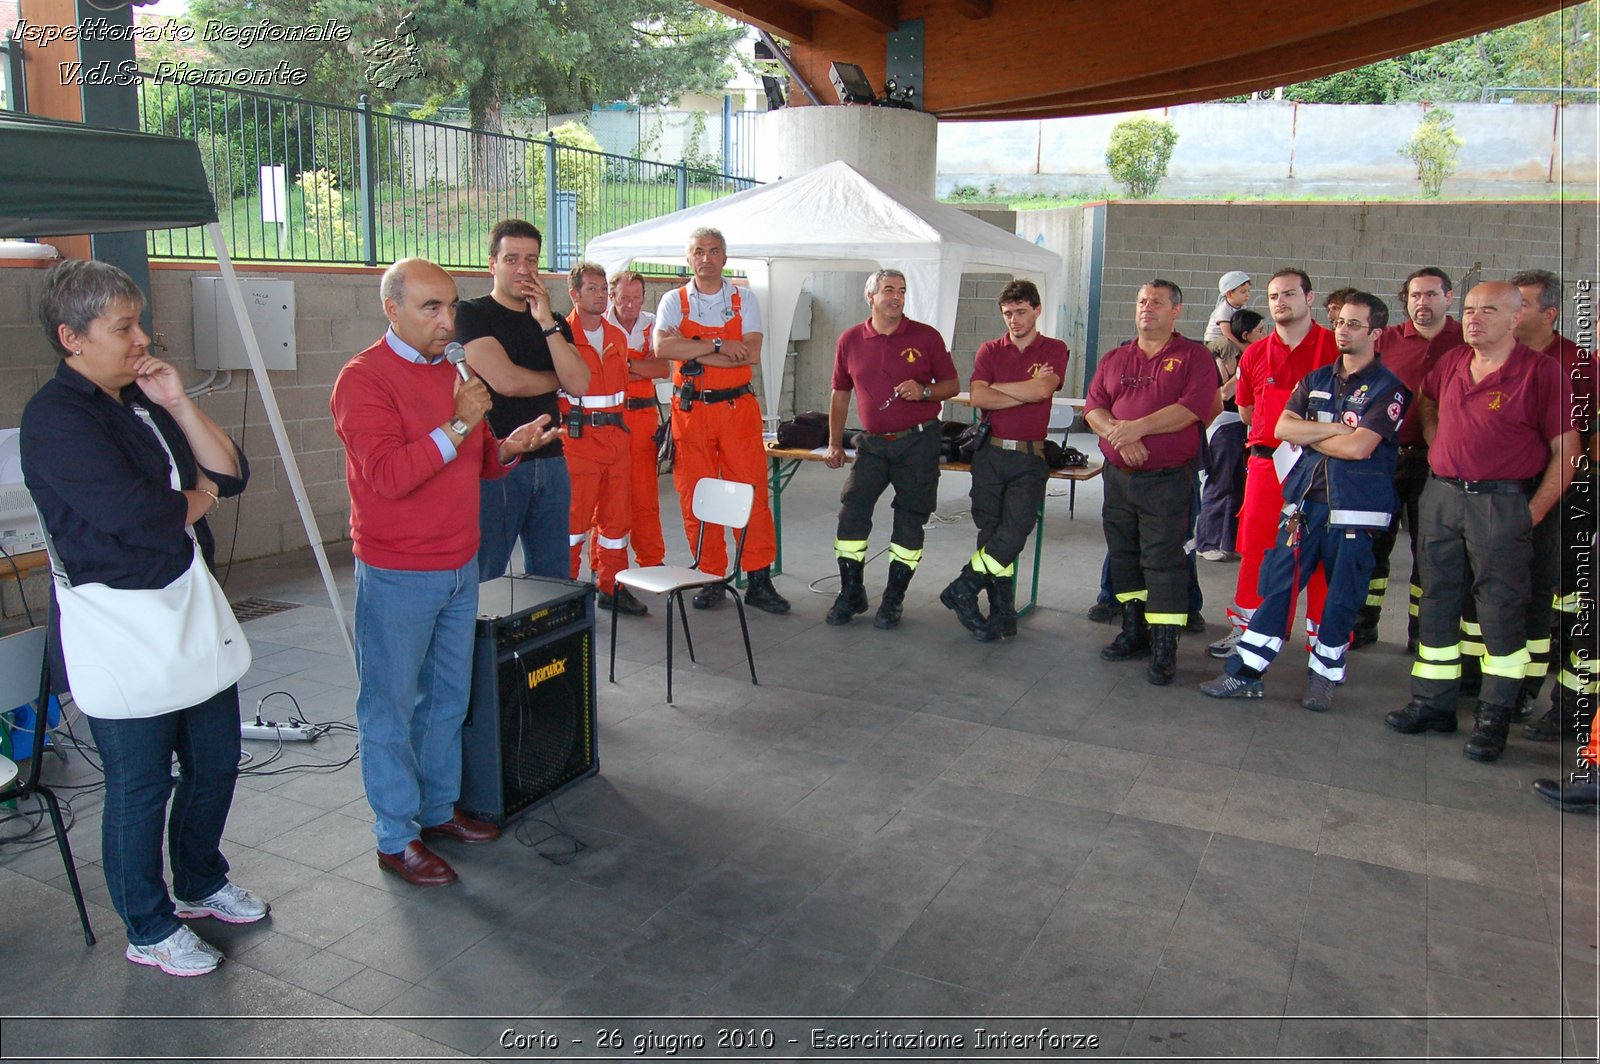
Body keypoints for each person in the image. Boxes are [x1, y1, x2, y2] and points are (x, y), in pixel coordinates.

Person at [20, 259, 262, 976]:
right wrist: (198, 502)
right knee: (140, 785)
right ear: (72, 337)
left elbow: (231, 471)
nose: (141, 338)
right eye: (123, 327)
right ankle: (147, 925)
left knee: (215, 762)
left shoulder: (143, 399)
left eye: (139, 323)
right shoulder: (56, 418)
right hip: (122, 621)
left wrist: (180, 403)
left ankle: (199, 882)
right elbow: (140, 516)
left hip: (185, 606)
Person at [332, 258, 558, 887]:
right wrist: (459, 420)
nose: (446, 320)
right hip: (400, 570)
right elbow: (390, 476)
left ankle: (436, 810)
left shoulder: (455, 372)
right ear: (392, 310)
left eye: (451, 306)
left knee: (448, 699)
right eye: (430, 307)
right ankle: (395, 836)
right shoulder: (363, 380)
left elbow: (475, 462)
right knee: (390, 706)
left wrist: (510, 447)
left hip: (461, 564)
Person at [1385, 282, 1579, 763]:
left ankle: (1495, 715)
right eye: (1469, 309)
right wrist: (1436, 439)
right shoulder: (1451, 361)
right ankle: (1433, 702)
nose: (1474, 318)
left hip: (1502, 503)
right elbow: (1426, 400)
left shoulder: (1541, 372)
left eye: (1488, 311)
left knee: (1500, 611)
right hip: (1443, 497)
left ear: (1515, 319)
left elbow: (1567, 453)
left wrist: (1531, 512)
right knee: (1437, 600)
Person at [1201, 292, 1410, 711]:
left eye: (1354, 324)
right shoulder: (1316, 380)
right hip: (1303, 506)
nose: (1343, 330)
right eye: (1340, 323)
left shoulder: (1390, 389)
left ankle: (1323, 677)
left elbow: (1360, 448)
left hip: (1353, 509)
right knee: (1276, 587)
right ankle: (1246, 674)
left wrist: (1316, 430)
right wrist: (1336, 433)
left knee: (1339, 596)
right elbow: (1283, 427)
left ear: (1375, 333)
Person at [1085, 279, 1219, 685]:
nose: (1147, 308)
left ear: (1176, 310)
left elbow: (1192, 409)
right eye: (1142, 301)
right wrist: (1117, 437)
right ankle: (1133, 631)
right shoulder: (1115, 356)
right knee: (1124, 556)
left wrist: (1134, 429)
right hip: (1119, 478)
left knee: (1163, 561)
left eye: (1157, 303)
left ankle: (1164, 647)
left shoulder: (1194, 356)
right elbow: (1094, 407)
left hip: (1166, 482)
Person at [653, 227, 789, 613]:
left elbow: (751, 354)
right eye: (699, 251)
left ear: (725, 258)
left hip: (736, 412)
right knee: (696, 495)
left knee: (751, 493)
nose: (706, 258)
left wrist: (691, 350)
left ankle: (758, 577)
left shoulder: (743, 299)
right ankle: (710, 575)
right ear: (689, 258)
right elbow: (663, 348)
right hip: (691, 412)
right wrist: (717, 346)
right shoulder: (673, 301)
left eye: (714, 251)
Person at [1210, 269, 1338, 660]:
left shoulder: (1334, 349)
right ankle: (1250, 631)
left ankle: (1322, 644)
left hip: (1322, 467)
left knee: (1319, 556)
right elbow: (1246, 412)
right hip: (1267, 464)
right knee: (1257, 549)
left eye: (1289, 294)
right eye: (1273, 296)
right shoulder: (1255, 353)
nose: (1280, 302)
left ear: (1309, 298)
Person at [824, 269, 961, 629]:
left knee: (910, 520)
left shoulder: (926, 336)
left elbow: (952, 384)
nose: (896, 297)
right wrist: (834, 443)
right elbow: (840, 392)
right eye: (888, 290)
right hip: (872, 444)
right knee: (851, 510)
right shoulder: (851, 339)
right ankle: (851, 592)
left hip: (919, 442)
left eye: (901, 290)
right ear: (870, 297)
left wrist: (925, 391)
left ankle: (893, 599)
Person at [456, 219, 589, 581]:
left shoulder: (555, 321)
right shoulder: (471, 314)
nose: (523, 269)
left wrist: (545, 320)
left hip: (551, 462)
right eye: (512, 259)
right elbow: (506, 382)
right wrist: (555, 379)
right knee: (487, 574)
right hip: (497, 463)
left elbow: (578, 384)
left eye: (531, 260)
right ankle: (480, 640)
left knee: (554, 576)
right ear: (492, 264)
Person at [938, 279, 1068, 641]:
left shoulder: (1054, 349)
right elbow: (978, 398)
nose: (1014, 320)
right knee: (991, 534)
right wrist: (1019, 392)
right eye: (1008, 314)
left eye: (1021, 312)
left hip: (1029, 457)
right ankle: (1001, 613)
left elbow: (1044, 389)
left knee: (1013, 534)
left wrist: (1000, 389)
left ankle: (963, 587)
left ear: (1037, 310)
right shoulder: (989, 350)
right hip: (991, 454)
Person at [1351, 267, 1463, 649]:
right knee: (1372, 546)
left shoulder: (1465, 340)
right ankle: (1363, 625)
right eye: (1415, 295)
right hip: (1381, 458)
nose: (1422, 302)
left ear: (1449, 298)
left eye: (1431, 294)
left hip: (1436, 463)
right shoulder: (1389, 340)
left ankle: (1421, 633)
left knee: (1428, 552)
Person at [1512, 268, 1596, 743]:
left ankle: (1555, 702)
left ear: (1550, 313)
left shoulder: (1578, 365)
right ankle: (1515, 683)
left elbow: (1583, 445)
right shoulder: (1502, 358)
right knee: (1517, 594)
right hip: (1508, 493)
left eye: (1520, 304)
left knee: (1554, 597)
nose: (1511, 312)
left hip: (1564, 498)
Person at [562, 263, 645, 615]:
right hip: (578, 442)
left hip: (616, 439)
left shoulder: (617, 337)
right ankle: (563, 594)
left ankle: (611, 586)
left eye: (601, 289)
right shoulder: (560, 337)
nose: (599, 295)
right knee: (572, 525)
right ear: (574, 294)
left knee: (615, 522)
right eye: (591, 289)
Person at [606, 269, 671, 571]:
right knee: (608, 498)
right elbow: (600, 372)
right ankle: (606, 567)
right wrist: (641, 365)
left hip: (643, 419)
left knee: (645, 496)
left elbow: (662, 369)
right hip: (607, 420)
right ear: (612, 296)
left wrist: (626, 364)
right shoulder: (598, 324)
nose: (630, 304)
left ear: (644, 297)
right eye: (624, 297)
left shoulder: (652, 325)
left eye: (636, 297)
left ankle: (651, 562)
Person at [1196, 308, 1268, 561]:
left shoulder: (1253, 356)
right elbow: (1225, 394)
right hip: (1226, 427)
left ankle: (1229, 541)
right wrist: (1242, 379)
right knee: (1219, 484)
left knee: (1238, 486)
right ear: (1246, 335)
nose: (1265, 334)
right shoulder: (1232, 356)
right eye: (1260, 330)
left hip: (1242, 428)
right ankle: (1207, 542)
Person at [1204, 270, 1251, 350]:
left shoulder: (1243, 308)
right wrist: (1241, 346)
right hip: (1213, 342)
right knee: (1228, 344)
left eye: (1248, 291)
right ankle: (1225, 363)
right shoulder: (1223, 310)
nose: (1247, 295)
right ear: (1229, 294)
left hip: (1229, 340)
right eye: (1243, 292)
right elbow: (1227, 333)